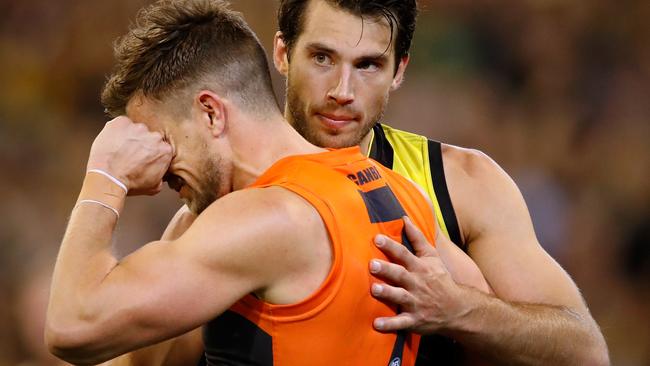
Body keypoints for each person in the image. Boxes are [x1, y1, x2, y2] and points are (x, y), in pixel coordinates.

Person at [114, 0, 609, 365]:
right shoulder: (219, 200)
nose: (342, 93)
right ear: (283, 54)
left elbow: (583, 352)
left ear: (400, 72)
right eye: (322, 58)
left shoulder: (460, 185)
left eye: (368, 65)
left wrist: (458, 309)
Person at [44, 1, 490, 365]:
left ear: (211, 113)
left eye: (160, 141)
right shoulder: (400, 193)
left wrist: (104, 176)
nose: (156, 170)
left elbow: (72, 327)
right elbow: (487, 329)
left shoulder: (267, 218)